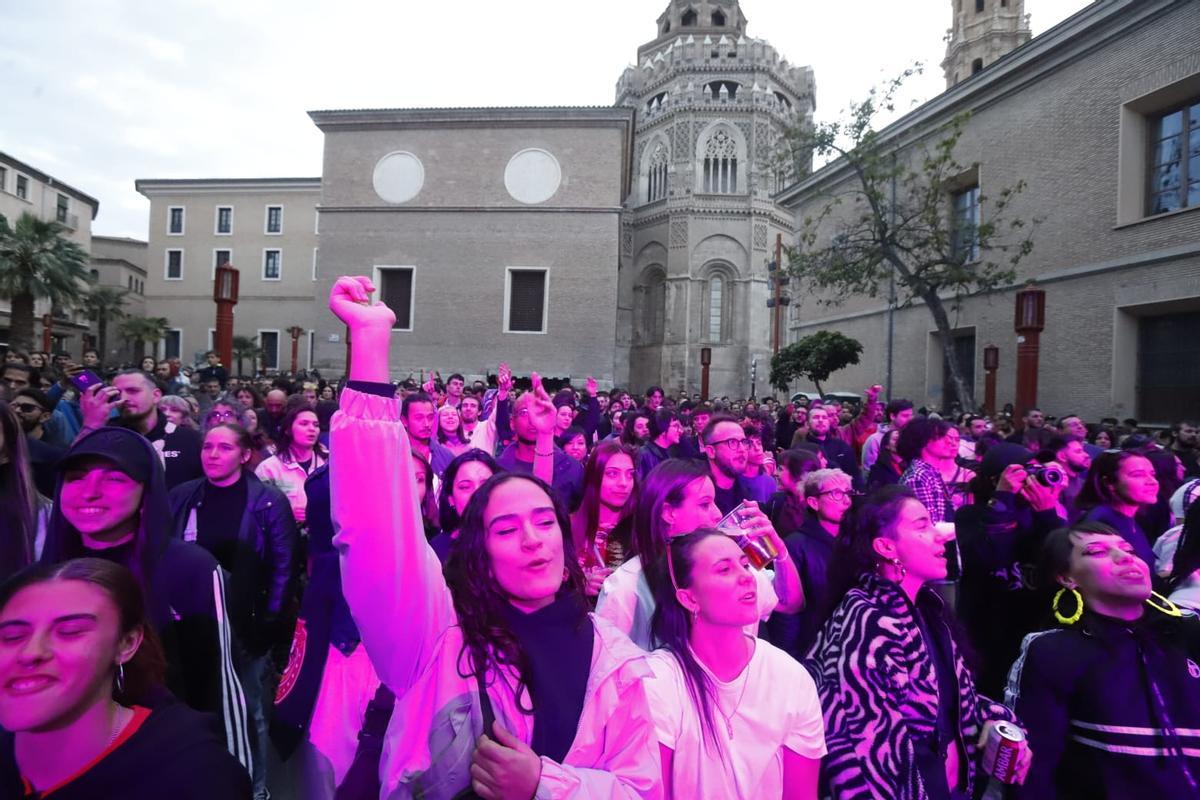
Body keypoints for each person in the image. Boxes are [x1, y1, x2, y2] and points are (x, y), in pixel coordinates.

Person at [326, 275, 661, 799]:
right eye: (506, 528)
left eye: (545, 521)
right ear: (479, 553)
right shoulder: (437, 641)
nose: (533, 539)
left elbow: (642, 789)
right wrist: (369, 343)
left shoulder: (615, 660)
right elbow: (375, 531)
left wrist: (545, 785)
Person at [39, 427, 251, 770]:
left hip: (161, 766)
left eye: (114, 479)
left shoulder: (189, 570)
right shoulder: (41, 578)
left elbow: (218, 691)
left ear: (146, 491)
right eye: (76, 477)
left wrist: (229, 778)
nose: (89, 492)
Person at [807, 486, 1029, 799]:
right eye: (922, 525)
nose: (940, 535)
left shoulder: (925, 607)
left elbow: (944, 700)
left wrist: (996, 720)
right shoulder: (866, 623)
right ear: (886, 546)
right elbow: (867, 757)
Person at [0, 558, 252, 798]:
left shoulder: (196, 774)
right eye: (12, 635)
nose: (30, 652)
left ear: (127, 643)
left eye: (70, 632)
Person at [1006, 522, 1200, 798]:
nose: (1125, 557)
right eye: (1096, 552)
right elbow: (1033, 770)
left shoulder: (1190, 633)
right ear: (1066, 577)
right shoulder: (1053, 651)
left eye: (1129, 549)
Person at [169, 423, 299, 800]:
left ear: (244, 456)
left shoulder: (267, 502)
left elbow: (283, 567)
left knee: (251, 710)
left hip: (246, 624)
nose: (212, 454)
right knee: (196, 706)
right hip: (194, 623)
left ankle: (255, 787)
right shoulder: (183, 496)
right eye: (207, 447)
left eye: (224, 448)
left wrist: (269, 625)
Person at [644, 530, 825, 799]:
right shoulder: (658, 681)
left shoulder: (789, 677)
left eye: (745, 564)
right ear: (689, 598)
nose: (746, 577)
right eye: (724, 569)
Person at [597, 459, 802, 649]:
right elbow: (607, 665)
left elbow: (788, 602)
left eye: (714, 503)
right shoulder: (626, 586)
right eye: (704, 504)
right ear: (669, 513)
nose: (718, 514)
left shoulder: (733, 565)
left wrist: (779, 550)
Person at [956, 442, 1067, 697]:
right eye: (1024, 472)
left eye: (1036, 470)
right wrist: (1003, 496)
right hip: (988, 634)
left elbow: (1064, 561)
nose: (1033, 477)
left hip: (1034, 631)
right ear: (997, 479)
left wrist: (1047, 513)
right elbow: (987, 554)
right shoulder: (970, 516)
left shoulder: (1044, 517)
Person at [769, 469, 855, 661]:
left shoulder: (856, 541)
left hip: (852, 645)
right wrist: (789, 658)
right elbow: (787, 613)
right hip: (815, 649)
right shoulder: (795, 545)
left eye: (848, 492)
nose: (846, 500)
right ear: (814, 502)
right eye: (836, 493)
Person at [78, 369, 204, 490]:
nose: (124, 398)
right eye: (118, 393)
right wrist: (91, 423)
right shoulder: (105, 436)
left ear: (156, 395)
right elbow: (75, 476)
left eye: (133, 391)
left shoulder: (190, 440)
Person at [497, 374, 585, 512]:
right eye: (525, 412)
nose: (534, 418)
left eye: (541, 411)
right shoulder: (497, 470)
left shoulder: (571, 467)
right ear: (512, 423)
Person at [570, 440, 639, 598]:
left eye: (630, 475)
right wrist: (580, 587)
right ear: (594, 476)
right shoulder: (568, 527)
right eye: (612, 473)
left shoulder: (641, 529)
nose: (624, 483)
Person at [1074, 450, 1159, 569]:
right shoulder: (1099, 523)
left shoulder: (1131, 516)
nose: (1152, 482)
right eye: (1137, 475)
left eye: (1152, 474)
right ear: (1109, 482)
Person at [255, 405, 327, 528]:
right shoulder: (269, 468)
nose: (312, 429)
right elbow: (256, 511)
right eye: (304, 424)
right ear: (288, 430)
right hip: (286, 538)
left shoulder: (329, 464)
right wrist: (285, 513)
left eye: (315, 425)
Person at [430, 450, 501, 563]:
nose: (477, 492)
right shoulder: (436, 551)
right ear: (451, 500)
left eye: (487, 484)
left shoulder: (516, 541)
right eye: (465, 487)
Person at [10, 389, 65, 499]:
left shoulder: (55, 454)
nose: (17, 410)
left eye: (27, 408)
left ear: (45, 416)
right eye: (12, 406)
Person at [764, 447, 823, 537]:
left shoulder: (819, 508)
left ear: (798, 473)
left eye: (780, 469)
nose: (775, 473)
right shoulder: (776, 501)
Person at [806, 406, 862, 489]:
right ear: (807, 424)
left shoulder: (842, 447)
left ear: (828, 423)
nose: (820, 420)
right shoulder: (801, 450)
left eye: (824, 417)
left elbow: (855, 477)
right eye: (816, 417)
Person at [861, 398, 915, 472]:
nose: (910, 419)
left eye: (911, 415)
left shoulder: (913, 437)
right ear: (892, 416)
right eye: (905, 416)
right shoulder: (875, 440)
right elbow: (869, 471)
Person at [637, 408, 682, 480]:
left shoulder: (671, 453)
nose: (680, 431)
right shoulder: (643, 454)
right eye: (675, 426)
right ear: (663, 430)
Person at [866, 427, 904, 491]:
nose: (899, 442)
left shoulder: (911, 465)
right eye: (896, 439)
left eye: (902, 439)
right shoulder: (878, 469)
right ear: (887, 446)